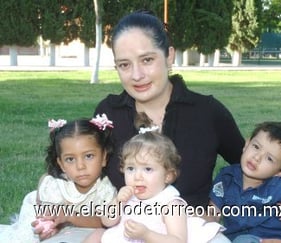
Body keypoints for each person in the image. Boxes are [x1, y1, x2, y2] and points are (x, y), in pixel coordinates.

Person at [94, 9, 245, 209]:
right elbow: (85, 171)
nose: (137, 75)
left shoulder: (207, 112)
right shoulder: (108, 113)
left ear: (169, 56)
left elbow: (247, 167)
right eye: (124, 65)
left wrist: (217, 204)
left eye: (147, 60)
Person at [84, 114, 229, 242]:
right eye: (131, 168)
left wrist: (146, 235)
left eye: (147, 169)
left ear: (168, 176)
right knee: (98, 235)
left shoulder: (171, 204)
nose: (137, 176)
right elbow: (107, 221)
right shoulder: (127, 196)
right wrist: (117, 202)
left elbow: (178, 240)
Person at [0, 114, 117, 242]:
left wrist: (70, 216)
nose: (80, 166)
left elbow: (103, 223)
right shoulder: (55, 186)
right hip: (39, 208)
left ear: (104, 157)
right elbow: (46, 214)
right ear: (61, 164)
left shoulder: (106, 190)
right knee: (28, 238)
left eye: (88, 156)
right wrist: (47, 225)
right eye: (70, 159)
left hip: (72, 221)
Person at [208, 121, 281, 243]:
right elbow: (213, 213)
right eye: (256, 147)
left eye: (269, 158)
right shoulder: (226, 177)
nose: (257, 157)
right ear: (247, 144)